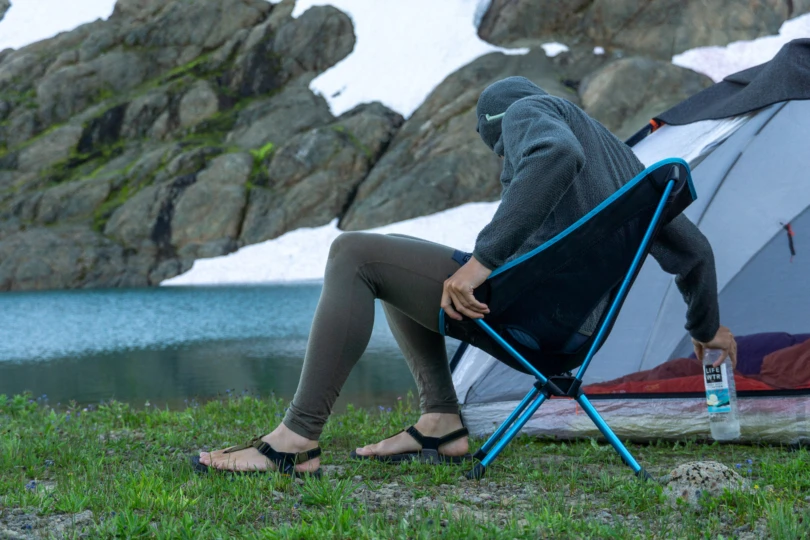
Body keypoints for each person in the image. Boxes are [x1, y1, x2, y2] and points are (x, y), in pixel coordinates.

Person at [196, 76, 738, 475]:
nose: (504, 159)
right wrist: (706, 329)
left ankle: (295, 439)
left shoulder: (528, 110)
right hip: (571, 336)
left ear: (495, 127)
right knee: (393, 257)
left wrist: (483, 261)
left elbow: (555, 153)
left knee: (352, 254)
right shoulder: (629, 172)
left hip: (517, 310)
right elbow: (696, 253)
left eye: (499, 151)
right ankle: (441, 423)